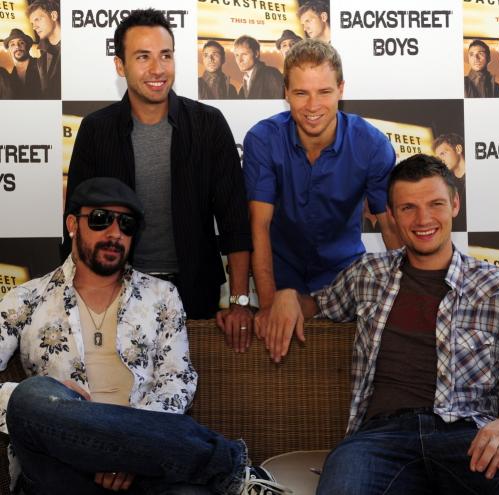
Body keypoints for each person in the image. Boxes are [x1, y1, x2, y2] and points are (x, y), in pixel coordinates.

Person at [259, 154, 499, 494]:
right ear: (391, 215)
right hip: (379, 440)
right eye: (408, 208)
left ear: (454, 205)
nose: (423, 219)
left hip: (468, 435)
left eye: (435, 204)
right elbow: (316, 305)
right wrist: (289, 295)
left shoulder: (497, 286)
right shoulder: (368, 273)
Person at [1, 177, 289, 495]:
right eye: (100, 219)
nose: (115, 233)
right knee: (31, 396)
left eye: (126, 224)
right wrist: (50, 401)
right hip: (61, 469)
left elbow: (177, 382)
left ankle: (218, 473)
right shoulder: (26, 299)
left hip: (144, 474)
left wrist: (128, 454)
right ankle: (231, 468)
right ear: (73, 224)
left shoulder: (161, 296)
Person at [64, 9, 253, 352]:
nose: (158, 68)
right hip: (114, 294)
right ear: (120, 65)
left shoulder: (208, 124)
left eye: (165, 55)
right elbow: (76, 224)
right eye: (143, 57)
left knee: (190, 383)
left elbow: (234, 220)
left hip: (194, 296)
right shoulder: (96, 130)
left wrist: (239, 300)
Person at [243, 39, 400, 328]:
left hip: (346, 279)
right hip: (280, 276)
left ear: (341, 89)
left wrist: (407, 302)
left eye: (324, 92)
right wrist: (267, 305)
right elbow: (259, 225)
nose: (313, 106)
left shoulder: (372, 145)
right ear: (286, 92)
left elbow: (389, 227)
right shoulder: (263, 139)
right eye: (301, 93)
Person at [432, 133, 466, 231]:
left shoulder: (479, 177)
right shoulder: (445, 183)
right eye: (438, 157)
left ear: (458, 149)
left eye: (443, 153)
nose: (441, 160)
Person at [27, 0, 61, 99]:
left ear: (53, 16)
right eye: (32, 23)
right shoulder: (41, 59)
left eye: (37, 19)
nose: (34, 27)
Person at [3, 28, 42, 99]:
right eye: (12, 44)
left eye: (21, 43)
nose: (17, 46)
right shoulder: (9, 76)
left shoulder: (41, 64)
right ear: (9, 50)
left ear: (27, 46)